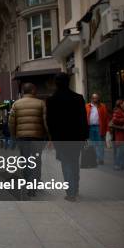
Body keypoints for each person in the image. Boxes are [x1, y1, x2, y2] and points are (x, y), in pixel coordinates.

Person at [46, 73, 89, 202]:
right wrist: (85, 136)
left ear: (56, 83)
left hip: (61, 138)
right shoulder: (78, 98)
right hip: (76, 137)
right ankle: (75, 189)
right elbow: (83, 119)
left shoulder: (52, 100)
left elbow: (50, 121)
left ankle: (70, 192)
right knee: (75, 162)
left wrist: (52, 137)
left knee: (66, 164)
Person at [9, 82, 48, 196]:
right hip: (37, 137)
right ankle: (34, 185)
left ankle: (28, 182)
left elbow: (11, 123)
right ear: (32, 91)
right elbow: (45, 122)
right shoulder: (41, 103)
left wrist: (13, 136)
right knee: (36, 161)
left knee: (25, 161)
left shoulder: (16, 104)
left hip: (22, 138)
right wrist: (48, 136)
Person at [86, 93, 109, 165]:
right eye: (94, 98)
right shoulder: (87, 106)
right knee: (92, 144)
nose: (95, 99)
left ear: (98, 99)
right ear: (91, 99)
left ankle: (100, 159)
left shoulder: (102, 106)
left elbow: (106, 118)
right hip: (90, 127)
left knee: (100, 144)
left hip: (99, 127)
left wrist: (107, 129)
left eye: (96, 98)